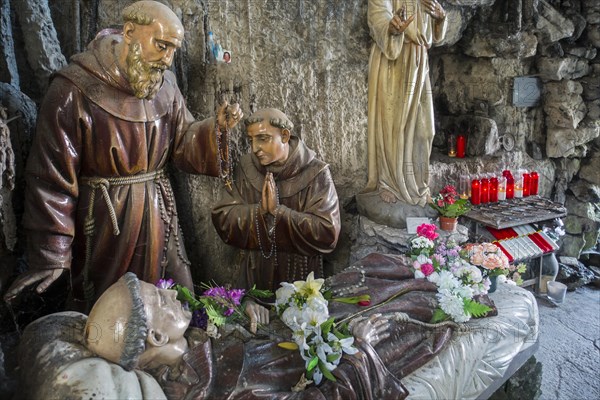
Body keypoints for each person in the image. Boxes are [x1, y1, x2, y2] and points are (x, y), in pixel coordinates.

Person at [3, 1, 243, 310]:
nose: (167, 60)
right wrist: (52, 251)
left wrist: (216, 130)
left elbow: (183, 142)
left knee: (170, 301)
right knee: (109, 311)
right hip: (105, 221)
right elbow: (52, 177)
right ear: (129, 32)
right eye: (161, 45)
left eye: (173, 49)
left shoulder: (165, 85)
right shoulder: (74, 89)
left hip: (158, 214)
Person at [17, 255, 455, 399]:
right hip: (331, 356)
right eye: (161, 300)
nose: (173, 294)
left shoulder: (190, 348)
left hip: (292, 330)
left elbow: (234, 331)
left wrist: (248, 313)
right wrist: (358, 352)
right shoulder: (222, 388)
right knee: (404, 308)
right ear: (153, 337)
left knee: (369, 273)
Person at [211, 108, 341, 292]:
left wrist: (279, 212)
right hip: (255, 278)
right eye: (251, 140)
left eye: (263, 139)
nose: (255, 148)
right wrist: (259, 211)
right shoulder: (246, 167)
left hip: (301, 283)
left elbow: (328, 233)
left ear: (285, 136)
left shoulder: (316, 173)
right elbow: (223, 217)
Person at [362, 0, 447, 205]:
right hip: (393, 63)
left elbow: (435, 33)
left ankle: (418, 184)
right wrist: (392, 27)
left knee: (425, 130)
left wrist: (441, 18)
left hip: (419, 61)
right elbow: (377, 16)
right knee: (393, 126)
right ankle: (389, 183)